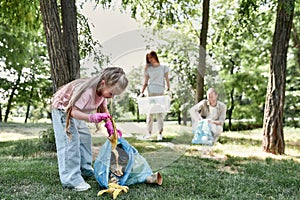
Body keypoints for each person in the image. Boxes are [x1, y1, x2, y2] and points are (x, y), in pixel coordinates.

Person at [51, 67, 128, 191]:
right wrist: (91, 117)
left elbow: (104, 110)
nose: (112, 97)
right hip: (63, 110)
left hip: (75, 111)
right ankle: (71, 179)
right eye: (112, 93)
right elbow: (72, 112)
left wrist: (111, 127)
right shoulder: (87, 91)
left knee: (85, 137)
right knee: (70, 141)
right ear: (103, 83)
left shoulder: (103, 93)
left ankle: (84, 169)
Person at [140, 51, 170, 141]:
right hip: (151, 92)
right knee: (150, 113)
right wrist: (142, 92)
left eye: (151, 58)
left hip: (160, 92)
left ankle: (160, 134)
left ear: (155, 57)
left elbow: (167, 79)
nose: (150, 60)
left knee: (160, 113)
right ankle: (149, 133)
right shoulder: (148, 69)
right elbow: (145, 82)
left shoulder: (164, 67)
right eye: (148, 58)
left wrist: (169, 89)